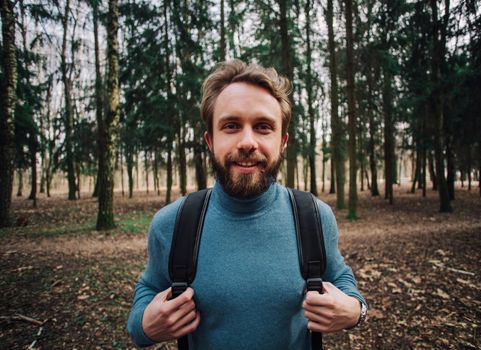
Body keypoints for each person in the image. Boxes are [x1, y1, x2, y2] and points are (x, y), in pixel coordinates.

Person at [127, 59, 367, 349]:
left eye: (263, 126)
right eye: (231, 125)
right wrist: (144, 326)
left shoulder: (314, 217)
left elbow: (339, 275)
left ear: (282, 142)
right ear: (210, 140)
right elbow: (149, 288)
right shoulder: (173, 223)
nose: (247, 142)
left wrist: (356, 310)